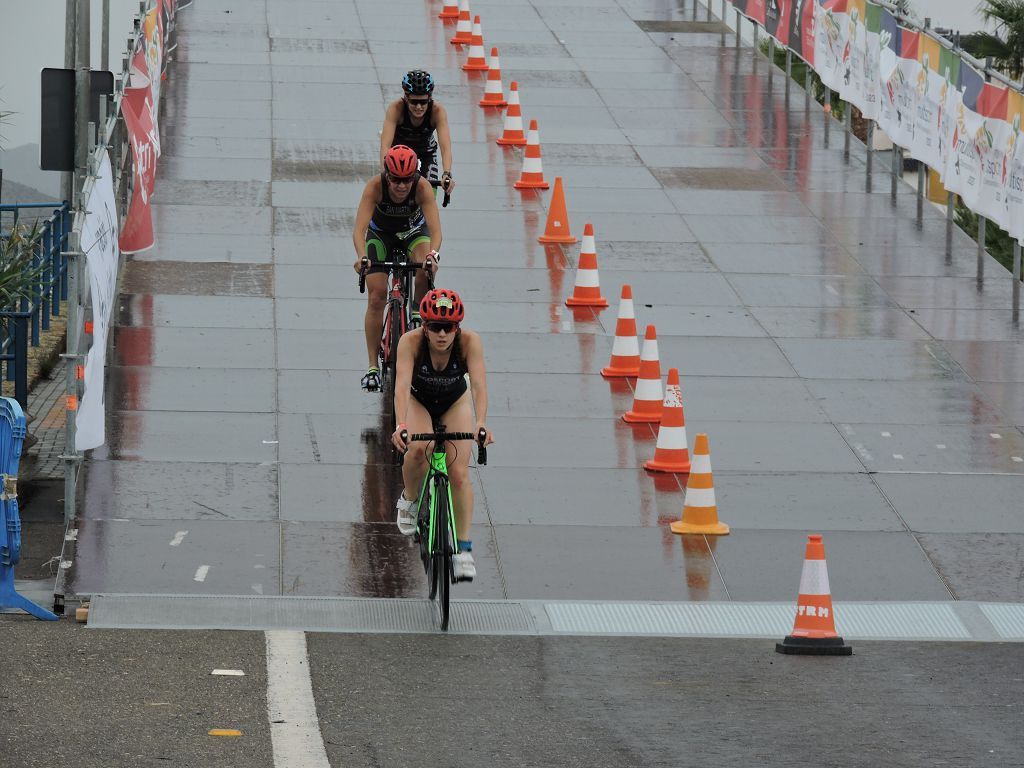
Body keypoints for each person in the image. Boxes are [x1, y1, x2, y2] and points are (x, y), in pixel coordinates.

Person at [391, 288, 493, 582]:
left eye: (448, 327)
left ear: (457, 328)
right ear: (423, 326)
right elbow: (400, 388)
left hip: (453, 401)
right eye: (435, 326)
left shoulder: (469, 343)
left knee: (459, 474)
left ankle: (462, 550)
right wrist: (401, 426)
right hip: (418, 401)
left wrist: (481, 423)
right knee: (418, 450)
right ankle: (410, 499)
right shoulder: (409, 343)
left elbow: (479, 386)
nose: (442, 334)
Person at [353, 144, 442, 392]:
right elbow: (359, 230)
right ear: (387, 175)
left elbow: (436, 232)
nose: (401, 186)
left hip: (413, 233)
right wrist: (361, 258)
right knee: (376, 296)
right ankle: (372, 367)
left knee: (426, 268)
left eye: (406, 180)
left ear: (414, 176)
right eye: (395, 180)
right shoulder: (374, 187)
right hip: (381, 235)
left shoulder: (422, 186)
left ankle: (416, 312)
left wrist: (433, 256)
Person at [380, 70, 455, 196]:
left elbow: (446, 148)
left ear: (429, 98)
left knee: (428, 195)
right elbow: (385, 145)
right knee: (395, 193)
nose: (419, 107)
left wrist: (447, 174)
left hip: (426, 153)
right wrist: (385, 173)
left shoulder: (437, 111)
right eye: (414, 102)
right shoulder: (396, 109)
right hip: (400, 154)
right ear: (406, 98)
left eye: (424, 102)